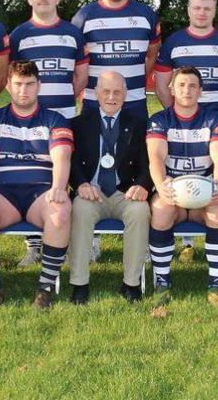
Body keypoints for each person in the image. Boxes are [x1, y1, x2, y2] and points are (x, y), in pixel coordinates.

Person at [0, 61, 74, 310]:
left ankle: (44, 289)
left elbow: (62, 157)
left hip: (41, 194)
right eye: (17, 84)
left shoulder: (55, 119)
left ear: (39, 86)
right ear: (8, 86)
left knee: (60, 207)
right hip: (4, 196)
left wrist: (59, 187)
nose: (23, 91)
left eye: (29, 84)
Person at [154, 0, 218, 262]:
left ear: (214, 11)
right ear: (189, 9)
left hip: (216, 119)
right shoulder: (175, 42)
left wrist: (212, 109)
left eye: (207, 8)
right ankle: (188, 242)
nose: (202, 13)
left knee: (214, 171)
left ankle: (213, 222)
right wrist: (179, 111)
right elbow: (161, 83)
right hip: (181, 120)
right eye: (197, 8)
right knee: (181, 166)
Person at [10, 0, 89, 268]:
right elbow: (15, 77)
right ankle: (34, 246)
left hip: (64, 116)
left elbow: (81, 74)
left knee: (65, 175)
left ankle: (66, 242)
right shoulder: (19, 35)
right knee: (33, 174)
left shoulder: (72, 33)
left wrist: (65, 101)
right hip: (28, 120)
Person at [147, 67, 218, 315]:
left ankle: (215, 283)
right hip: (173, 192)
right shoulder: (159, 120)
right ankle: (162, 282)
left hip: (203, 192)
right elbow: (156, 157)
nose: (187, 90)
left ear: (201, 91)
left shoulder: (215, 120)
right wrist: (162, 187)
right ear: (171, 88)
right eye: (182, 85)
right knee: (161, 209)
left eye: (193, 85)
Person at [68, 71, 153, 304]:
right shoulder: (79, 124)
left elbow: (151, 163)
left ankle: (131, 283)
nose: (112, 97)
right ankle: (79, 283)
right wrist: (81, 184)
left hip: (124, 192)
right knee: (80, 210)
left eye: (117, 92)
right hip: (91, 191)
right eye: (106, 91)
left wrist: (142, 185)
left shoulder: (139, 125)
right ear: (96, 93)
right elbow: (71, 162)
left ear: (125, 95)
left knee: (140, 211)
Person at [71, 0, 161, 117]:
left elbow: (151, 56)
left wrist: (132, 82)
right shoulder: (84, 16)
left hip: (134, 103)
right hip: (94, 103)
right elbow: (75, 63)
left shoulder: (146, 15)